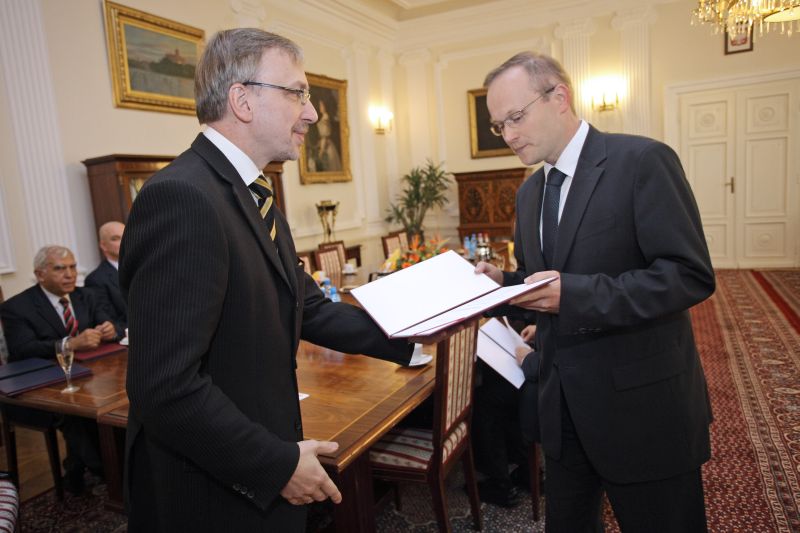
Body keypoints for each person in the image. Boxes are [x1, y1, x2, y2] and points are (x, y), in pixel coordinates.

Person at [119, 28, 412, 532]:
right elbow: (164, 385)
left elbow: (307, 306)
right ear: (242, 100)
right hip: (212, 491)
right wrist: (273, 465)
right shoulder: (183, 198)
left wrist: (413, 334)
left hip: (255, 459)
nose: (312, 112)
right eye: (297, 92)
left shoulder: (253, 190)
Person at [475, 52, 715, 532]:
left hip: (642, 411)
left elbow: (688, 274)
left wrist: (575, 296)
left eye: (516, 117)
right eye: (500, 125)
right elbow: (541, 275)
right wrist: (499, 284)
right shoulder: (529, 192)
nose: (509, 135)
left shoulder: (641, 161)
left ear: (559, 97)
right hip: (562, 411)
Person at [0, 245, 120, 493]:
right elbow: (22, 350)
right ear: (40, 274)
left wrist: (111, 329)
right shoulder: (17, 307)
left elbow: (113, 323)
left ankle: (90, 466)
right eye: (60, 268)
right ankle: (108, 473)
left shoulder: (86, 295)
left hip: (89, 376)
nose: (70, 274)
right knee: (78, 412)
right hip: (40, 388)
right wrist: (70, 343)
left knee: (115, 403)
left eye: (73, 267)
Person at [85, 221, 127, 329]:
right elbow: (109, 323)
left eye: (126, 236)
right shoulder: (95, 279)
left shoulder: (143, 268)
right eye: (115, 238)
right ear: (103, 245)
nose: (124, 241)